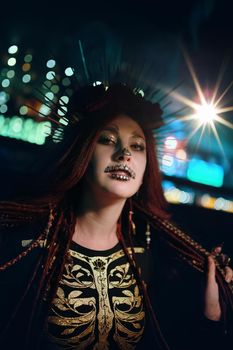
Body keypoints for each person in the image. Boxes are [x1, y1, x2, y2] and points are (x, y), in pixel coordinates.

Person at [0, 83, 233, 350]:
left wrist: (212, 312)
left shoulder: (151, 253)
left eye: (137, 146)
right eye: (108, 140)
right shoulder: (28, 241)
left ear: (148, 166)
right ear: (83, 152)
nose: (124, 155)